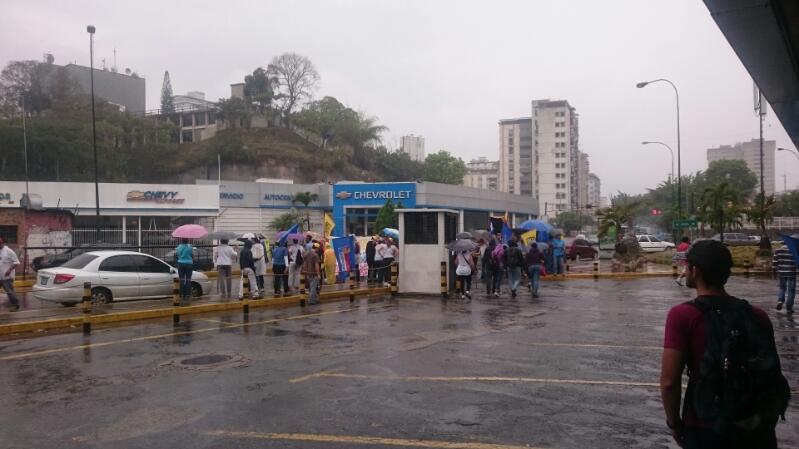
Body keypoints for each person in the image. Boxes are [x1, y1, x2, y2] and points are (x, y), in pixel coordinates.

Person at [660, 240, 788, 449]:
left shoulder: (684, 315)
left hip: (706, 425)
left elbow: (669, 382)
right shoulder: (757, 315)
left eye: (687, 265)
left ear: (695, 270)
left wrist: (674, 424)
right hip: (756, 427)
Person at [773, 241, 797, 313]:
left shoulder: (777, 251)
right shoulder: (794, 251)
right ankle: (789, 308)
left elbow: (774, 262)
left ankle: (780, 301)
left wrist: (774, 273)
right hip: (791, 273)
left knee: (782, 287)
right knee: (791, 291)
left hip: (781, 272)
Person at [0, 237, 21, 312]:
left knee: (10, 292)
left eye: (0, 242)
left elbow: (16, 262)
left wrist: (9, 270)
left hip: (7, 277)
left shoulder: (9, 251)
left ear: (3, 242)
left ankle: (16, 305)